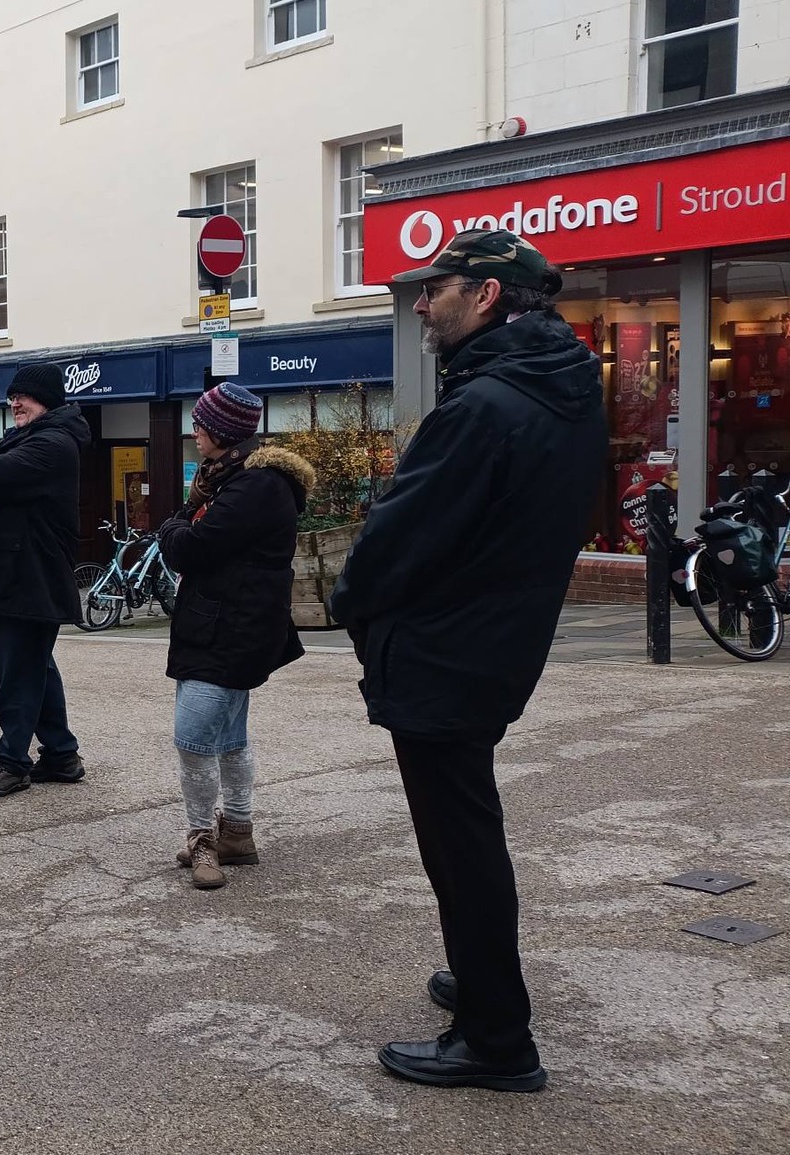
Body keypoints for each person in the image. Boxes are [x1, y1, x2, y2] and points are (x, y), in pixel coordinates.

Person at [331, 228, 604, 1094]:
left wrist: (353, 603)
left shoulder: (486, 405)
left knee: (461, 847)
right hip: (494, 647)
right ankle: (484, 981)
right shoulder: (559, 390)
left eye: (435, 288)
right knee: (468, 833)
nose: (420, 302)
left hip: (448, 655)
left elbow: (399, 535)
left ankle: (496, 1036)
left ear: (485, 295)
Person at [155, 383, 313, 890]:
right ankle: (238, 831)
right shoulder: (237, 479)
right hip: (229, 625)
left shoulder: (254, 485)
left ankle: (204, 837)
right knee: (228, 736)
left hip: (227, 630)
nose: (194, 433)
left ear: (219, 431)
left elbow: (190, 548)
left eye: (199, 425)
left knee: (194, 738)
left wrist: (175, 521)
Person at [0, 364, 88, 799]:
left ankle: (12, 763)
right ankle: (62, 755)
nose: (14, 403)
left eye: (23, 396)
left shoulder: (54, 443)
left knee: (17, 671)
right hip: (21, 576)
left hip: (33, 576)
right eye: (11, 397)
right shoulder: (28, 439)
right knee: (35, 665)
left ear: (45, 398)